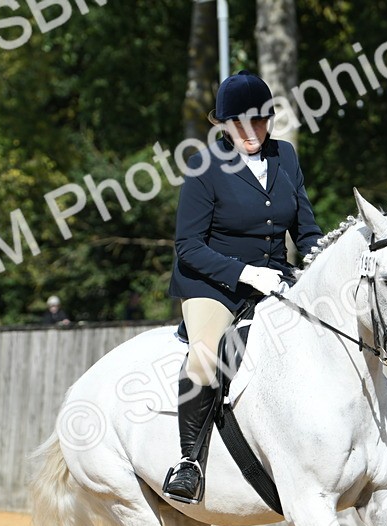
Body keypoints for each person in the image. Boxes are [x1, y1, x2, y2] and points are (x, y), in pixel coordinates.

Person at [163, 70, 322, 503]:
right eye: (238, 123)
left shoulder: (286, 156)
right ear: (224, 125)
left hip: (276, 277)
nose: (249, 132)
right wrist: (246, 274)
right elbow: (188, 247)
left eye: (257, 121)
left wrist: (317, 261)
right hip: (213, 284)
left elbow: (305, 229)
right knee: (205, 357)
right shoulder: (204, 167)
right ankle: (188, 463)